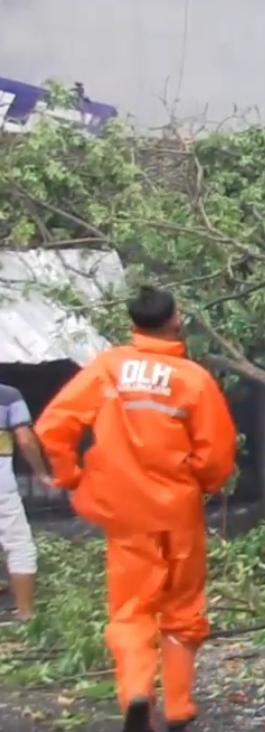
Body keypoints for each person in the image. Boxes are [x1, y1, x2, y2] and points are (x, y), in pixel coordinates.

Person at [35, 285, 237, 730]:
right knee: (181, 606)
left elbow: (53, 426)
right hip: (177, 511)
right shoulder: (192, 379)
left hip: (125, 512)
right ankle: (179, 707)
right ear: (175, 320)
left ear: (133, 322)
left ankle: (137, 694)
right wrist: (203, 484)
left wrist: (69, 475)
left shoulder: (107, 368)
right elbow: (217, 453)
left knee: (131, 610)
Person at [0, 383, 48, 622]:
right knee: (19, 546)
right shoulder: (8, 396)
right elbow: (25, 440)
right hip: (2, 489)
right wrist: (40, 472)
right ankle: (25, 615)